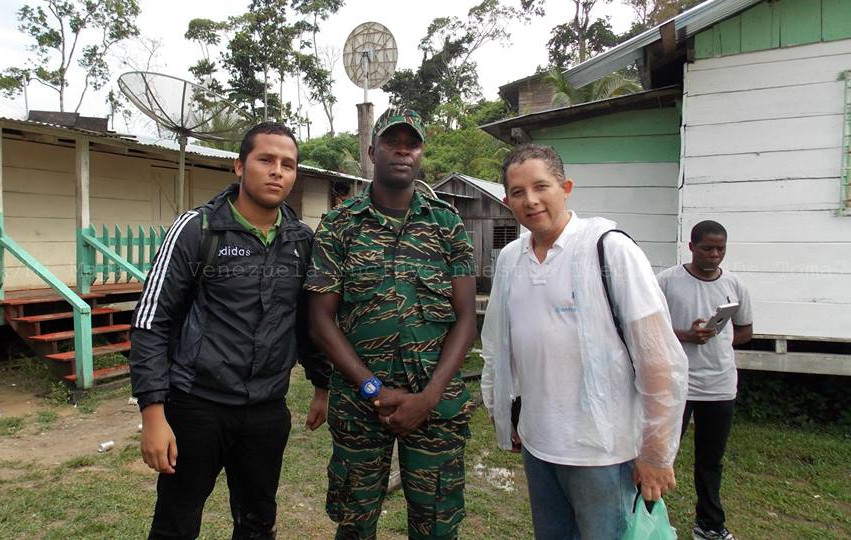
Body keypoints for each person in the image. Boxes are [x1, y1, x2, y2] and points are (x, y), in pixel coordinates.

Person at [129, 122, 332, 540]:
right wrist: (152, 413)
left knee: (258, 522)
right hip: (196, 406)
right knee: (176, 522)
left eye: (288, 164)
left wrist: (321, 385)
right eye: (266, 160)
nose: (278, 171)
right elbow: (151, 321)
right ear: (239, 166)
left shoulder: (300, 241)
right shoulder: (197, 230)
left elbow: (307, 320)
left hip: (266, 409)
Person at [480, 144, 688, 539]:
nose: (531, 200)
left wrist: (656, 454)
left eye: (541, 186)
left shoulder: (609, 248)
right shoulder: (509, 259)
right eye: (518, 192)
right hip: (538, 444)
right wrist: (502, 410)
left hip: (603, 452)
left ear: (566, 187)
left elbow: (659, 360)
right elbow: (497, 342)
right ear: (507, 200)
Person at [306, 108, 477, 540]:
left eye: (412, 144)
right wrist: (372, 388)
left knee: (436, 526)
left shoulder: (447, 225)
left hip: (434, 406)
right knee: (354, 524)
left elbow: (465, 318)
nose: (403, 150)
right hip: (361, 405)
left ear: (421, 154)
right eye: (392, 142)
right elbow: (320, 319)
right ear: (371, 151)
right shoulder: (339, 226)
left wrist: (430, 395)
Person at [656, 220, 752, 540]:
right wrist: (687, 335)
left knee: (710, 461)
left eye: (720, 249)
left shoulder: (735, 285)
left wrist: (718, 339)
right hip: (676, 384)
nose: (714, 255)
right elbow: (647, 328)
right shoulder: (667, 282)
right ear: (691, 247)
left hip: (720, 386)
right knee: (659, 456)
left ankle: (709, 526)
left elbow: (745, 331)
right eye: (708, 248)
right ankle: (645, 520)